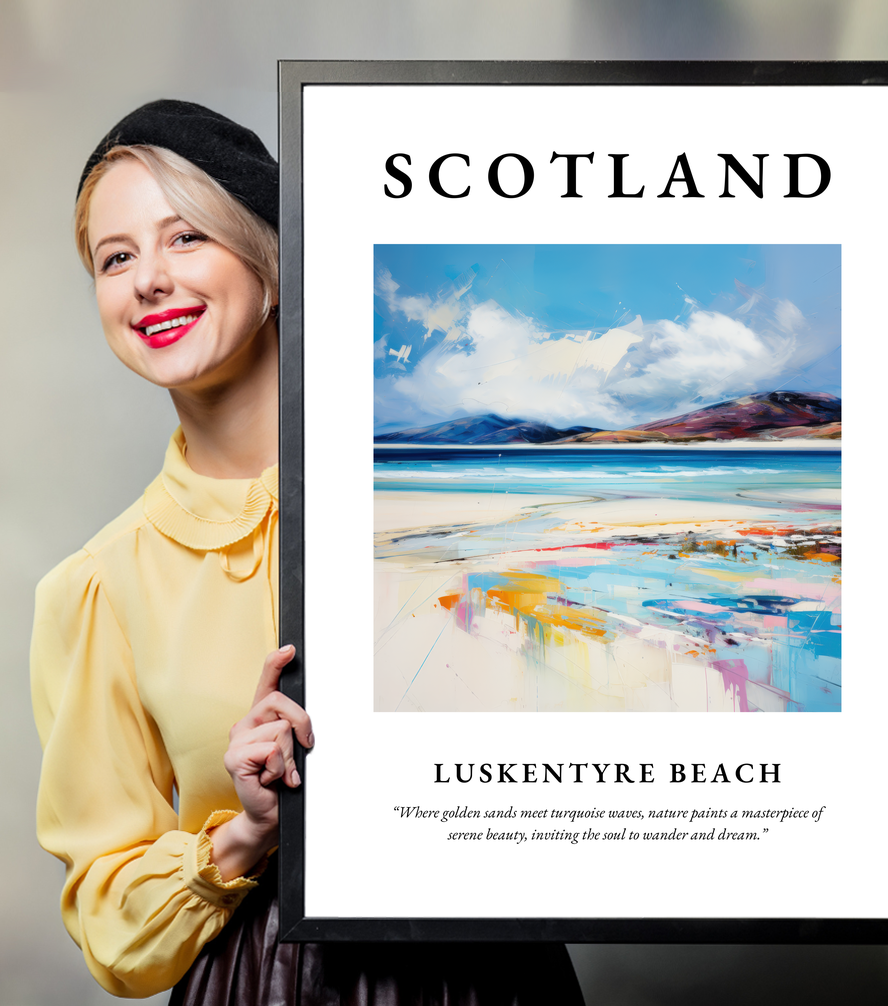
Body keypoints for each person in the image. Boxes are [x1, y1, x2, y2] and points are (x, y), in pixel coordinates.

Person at [30, 100, 586, 1004]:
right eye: (116, 257)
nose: (148, 281)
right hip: (262, 982)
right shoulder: (97, 587)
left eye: (185, 238)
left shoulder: (449, 505)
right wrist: (245, 832)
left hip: (492, 973)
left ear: (273, 263)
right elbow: (110, 923)